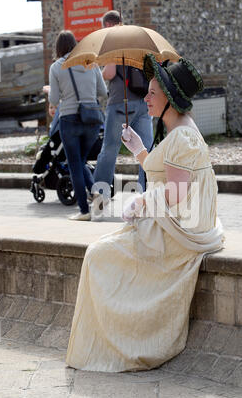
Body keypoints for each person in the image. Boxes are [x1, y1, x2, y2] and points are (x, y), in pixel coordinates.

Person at [66, 54, 224, 372]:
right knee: (100, 253)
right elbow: (165, 177)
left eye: (153, 92)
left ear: (170, 98)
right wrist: (139, 149)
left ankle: (122, 340)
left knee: (97, 255)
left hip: (180, 231)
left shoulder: (182, 135)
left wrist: (140, 203)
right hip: (173, 221)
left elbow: (178, 193)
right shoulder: (175, 130)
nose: (146, 98)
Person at [92, 10, 154, 217]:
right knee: (146, 150)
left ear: (108, 26)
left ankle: (100, 198)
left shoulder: (113, 43)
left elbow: (109, 73)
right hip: (142, 103)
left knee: (109, 150)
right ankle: (146, 195)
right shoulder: (136, 41)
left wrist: (99, 74)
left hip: (120, 104)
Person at [48, 30, 108, 221]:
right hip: (92, 119)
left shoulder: (57, 67)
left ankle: (84, 211)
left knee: (74, 164)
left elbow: (54, 99)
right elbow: (102, 92)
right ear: (75, 44)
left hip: (70, 119)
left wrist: (52, 91)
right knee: (80, 161)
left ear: (58, 47)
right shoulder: (91, 62)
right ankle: (95, 192)